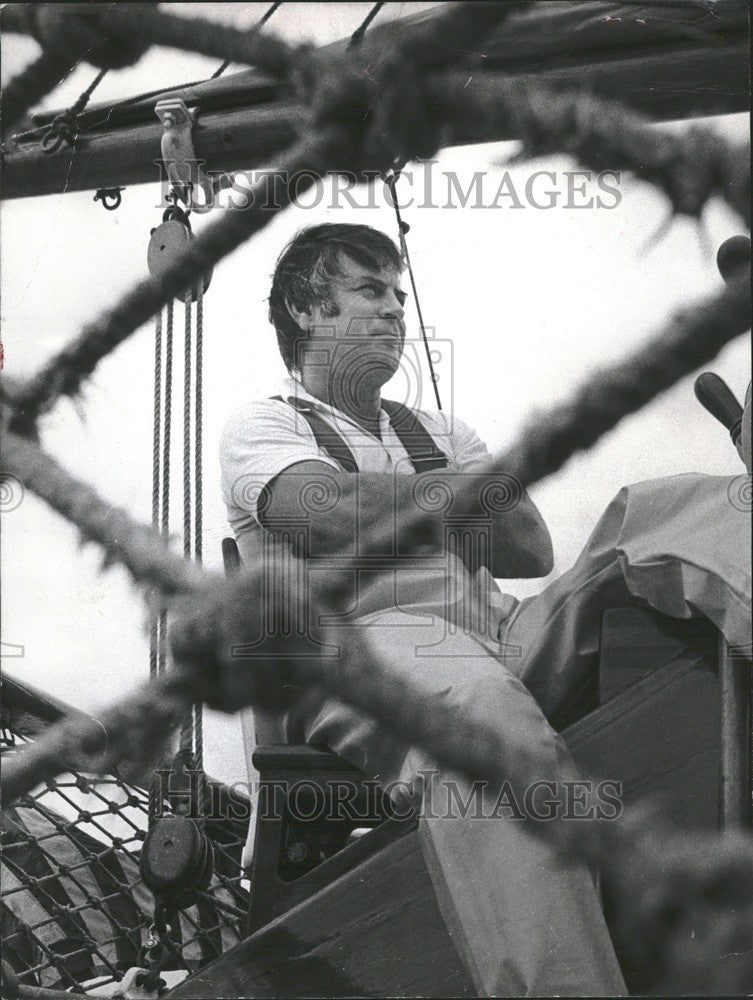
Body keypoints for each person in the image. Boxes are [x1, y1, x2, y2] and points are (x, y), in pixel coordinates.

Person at [219, 222, 629, 996]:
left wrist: (421, 497)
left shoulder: (443, 429)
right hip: (367, 646)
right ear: (306, 309)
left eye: (398, 298)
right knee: (474, 720)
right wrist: (457, 492)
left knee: (650, 526)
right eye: (369, 292)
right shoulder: (265, 425)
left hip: (504, 633)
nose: (393, 314)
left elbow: (529, 548)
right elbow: (327, 509)